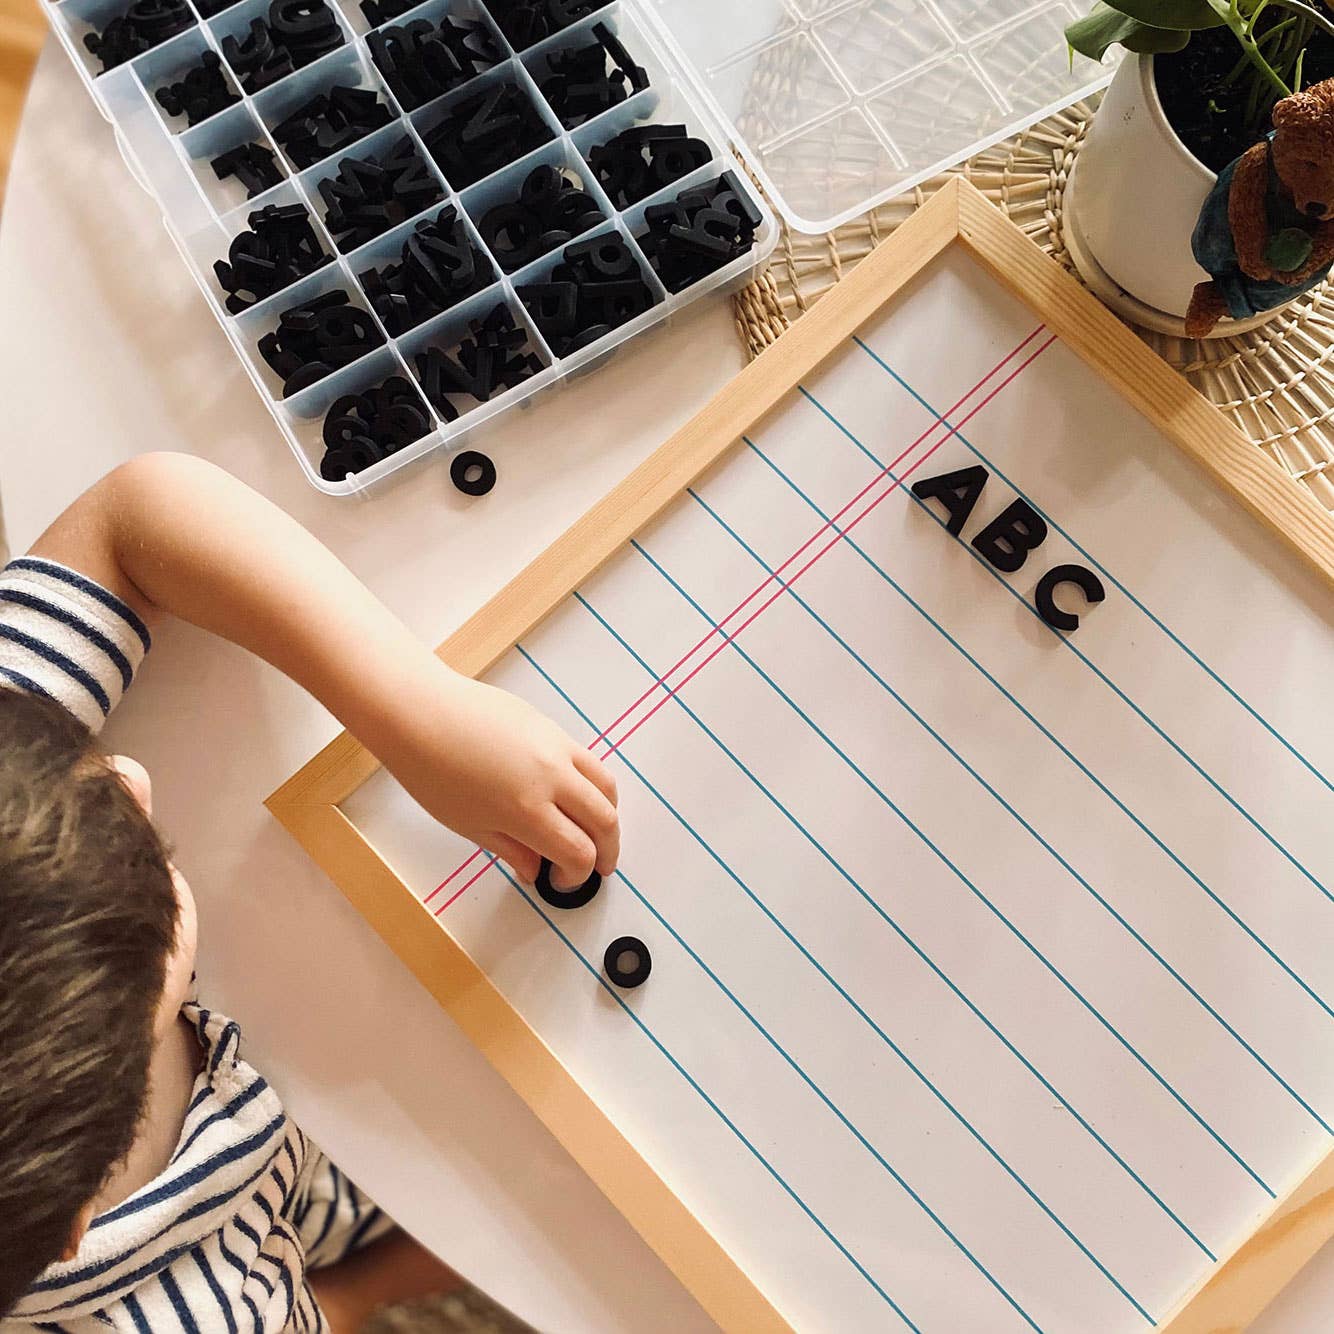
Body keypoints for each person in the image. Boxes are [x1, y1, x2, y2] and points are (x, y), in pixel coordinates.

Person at [0, 452, 620, 1329]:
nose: (129, 777)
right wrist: (350, 1296)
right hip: (290, 1211)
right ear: (74, 1223)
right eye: (155, 903)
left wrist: (416, 711)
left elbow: (136, 514)